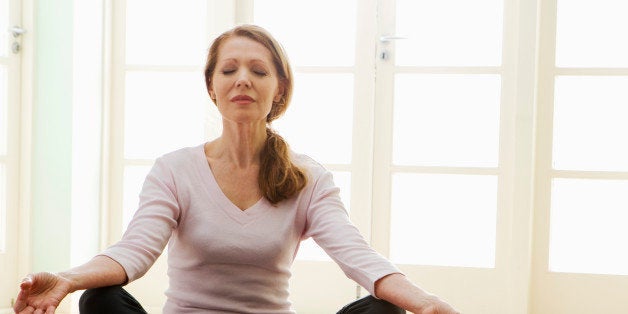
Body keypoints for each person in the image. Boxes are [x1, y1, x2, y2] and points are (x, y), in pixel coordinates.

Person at [13, 24, 460, 314]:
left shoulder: (308, 179)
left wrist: (425, 302)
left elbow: (357, 256)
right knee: (100, 301)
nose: (242, 78)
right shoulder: (175, 169)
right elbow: (134, 252)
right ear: (212, 86)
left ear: (278, 89)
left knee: (382, 310)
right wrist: (67, 280)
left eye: (258, 71)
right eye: (229, 69)